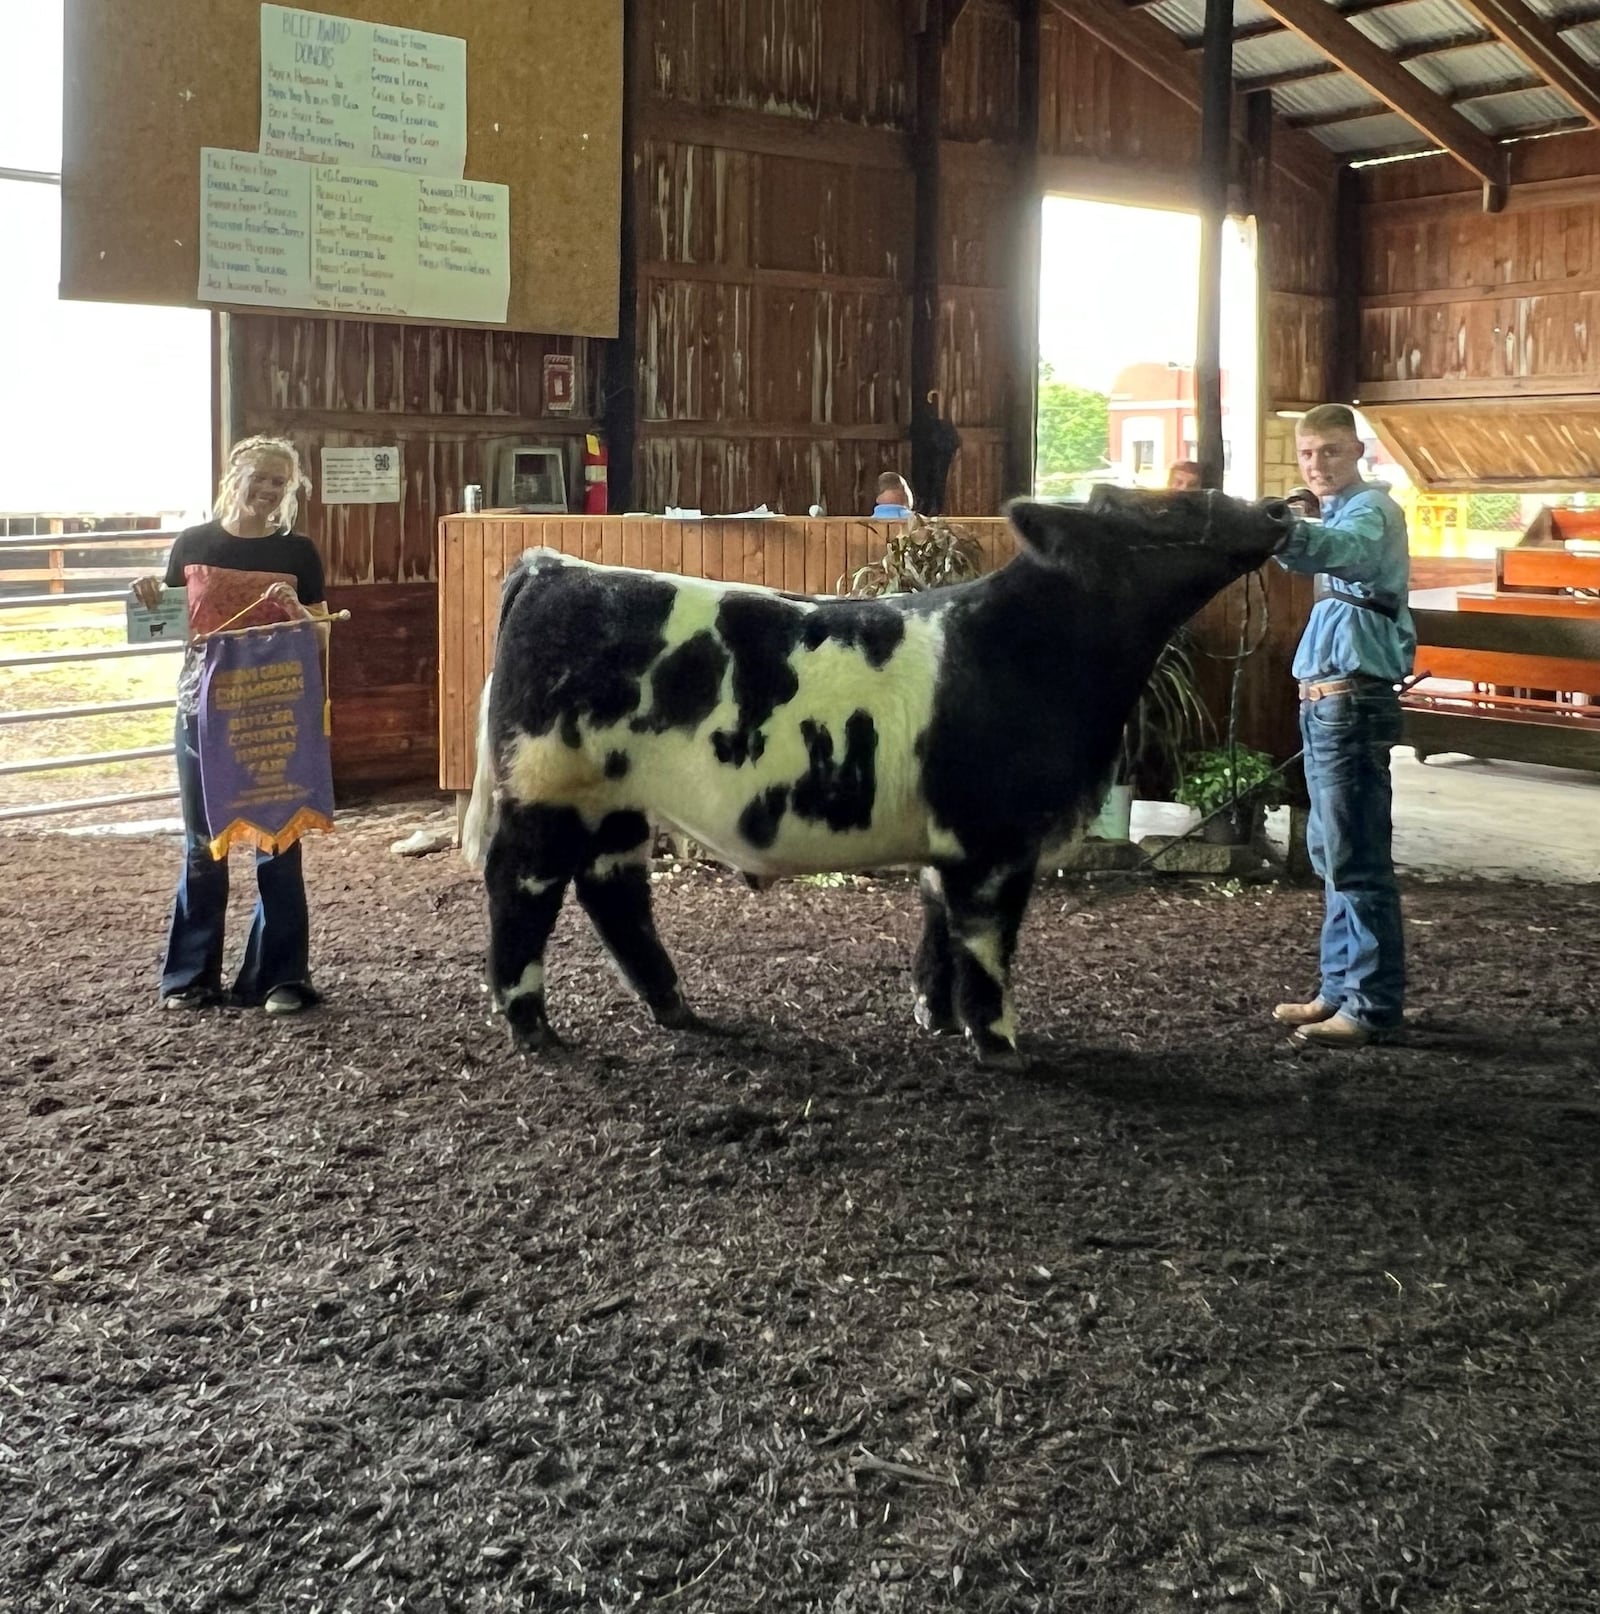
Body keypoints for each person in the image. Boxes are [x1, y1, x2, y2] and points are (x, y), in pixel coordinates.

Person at [131, 436, 327, 1015]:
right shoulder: (192, 545)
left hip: (274, 708)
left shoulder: (299, 553)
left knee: (279, 837)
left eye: (279, 483)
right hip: (202, 706)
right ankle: (190, 977)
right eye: (259, 477)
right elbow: (165, 628)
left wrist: (294, 612)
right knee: (201, 843)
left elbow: (320, 638)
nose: (266, 490)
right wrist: (145, 598)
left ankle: (280, 977)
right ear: (234, 474)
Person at [1271, 404, 1415, 1048]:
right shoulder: (1332, 514)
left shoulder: (1370, 513)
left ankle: (1371, 1004)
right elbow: (1303, 556)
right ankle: (1339, 988)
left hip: (1352, 701)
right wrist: (1289, 524)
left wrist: (1281, 526)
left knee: (1354, 854)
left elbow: (1340, 551)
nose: (1316, 464)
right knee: (1331, 851)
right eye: (1307, 454)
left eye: (1329, 451)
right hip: (1325, 701)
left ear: (1357, 451)